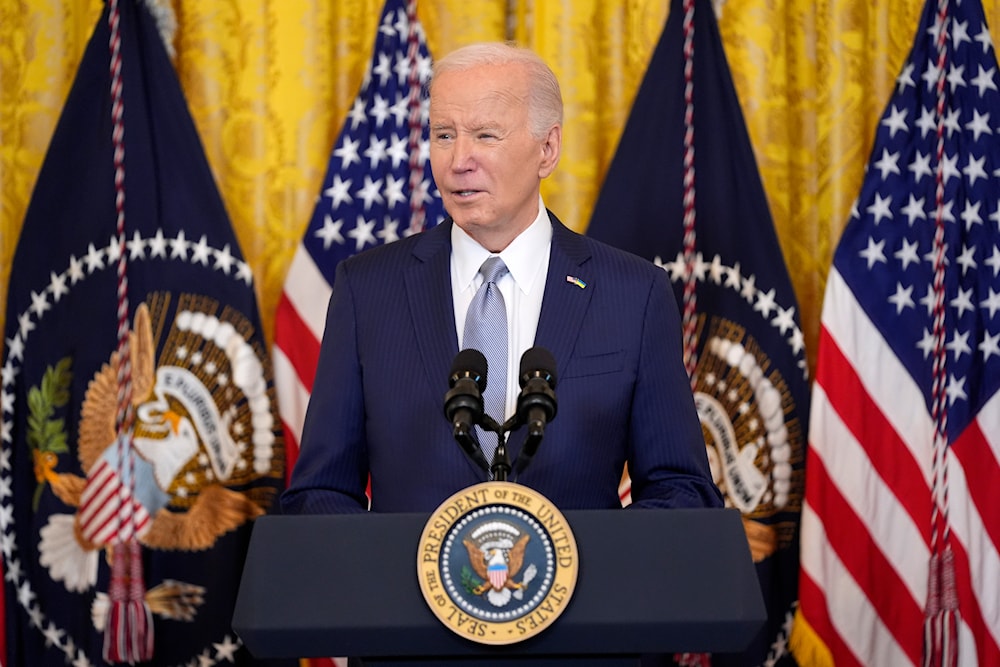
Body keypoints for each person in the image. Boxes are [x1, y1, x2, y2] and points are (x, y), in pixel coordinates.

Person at [280, 42, 722, 515]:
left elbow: (682, 491)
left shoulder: (634, 295)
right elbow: (319, 494)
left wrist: (585, 561)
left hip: (581, 588)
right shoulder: (366, 291)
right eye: (444, 135)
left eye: (486, 136)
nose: (458, 160)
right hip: (405, 587)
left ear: (547, 150)